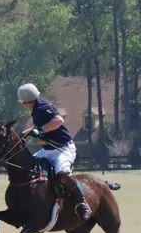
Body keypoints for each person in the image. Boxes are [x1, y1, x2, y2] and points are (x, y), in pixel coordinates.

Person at [18, 83, 91, 221]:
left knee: (62, 174)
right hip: (47, 150)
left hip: (63, 149)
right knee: (28, 167)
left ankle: (82, 203)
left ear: (25, 103)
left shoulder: (42, 108)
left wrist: (41, 131)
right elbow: (37, 126)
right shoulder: (36, 109)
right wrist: (24, 134)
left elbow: (59, 120)